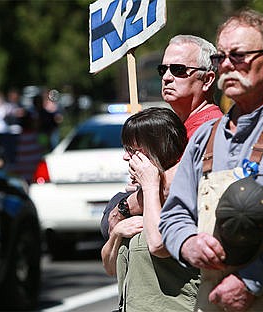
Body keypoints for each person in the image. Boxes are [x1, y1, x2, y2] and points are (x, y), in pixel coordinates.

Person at [159, 8, 263, 312]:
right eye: (221, 58)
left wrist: (251, 281)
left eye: (239, 56)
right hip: (212, 301)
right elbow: (173, 215)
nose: (227, 66)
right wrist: (187, 244)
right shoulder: (206, 136)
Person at [100, 35, 223, 311]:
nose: (167, 77)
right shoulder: (177, 127)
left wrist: (123, 206)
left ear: (208, 79)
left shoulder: (211, 127)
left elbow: (168, 186)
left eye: (178, 70)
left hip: (179, 290)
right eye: (163, 69)